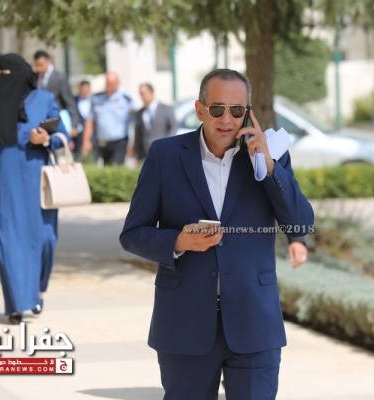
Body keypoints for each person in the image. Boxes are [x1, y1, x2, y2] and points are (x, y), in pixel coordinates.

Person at [120, 69, 314, 399]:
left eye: (237, 111)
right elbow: (133, 233)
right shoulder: (165, 156)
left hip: (254, 323)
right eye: (217, 109)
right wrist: (178, 241)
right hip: (185, 323)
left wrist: (268, 165)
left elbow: (300, 221)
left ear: (248, 113)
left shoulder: (269, 155)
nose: (227, 119)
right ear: (200, 109)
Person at [0, 54, 68, 324]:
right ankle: (16, 304)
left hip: (38, 183)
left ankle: (36, 291)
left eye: (5, 73)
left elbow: (62, 134)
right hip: (5, 185)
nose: (0, 79)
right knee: (9, 243)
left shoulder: (44, 99)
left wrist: (45, 139)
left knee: (45, 240)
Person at [82, 71, 133, 165]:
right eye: (108, 82)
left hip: (119, 140)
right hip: (102, 141)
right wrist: (86, 141)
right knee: (105, 167)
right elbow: (90, 121)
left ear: (117, 83)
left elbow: (134, 122)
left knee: (116, 167)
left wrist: (133, 144)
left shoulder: (126, 99)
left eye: (112, 83)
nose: (109, 85)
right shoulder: (96, 98)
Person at [32, 50, 78, 139]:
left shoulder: (59, 78)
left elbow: (69, 102)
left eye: (41, 65)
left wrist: (74, 125)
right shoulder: (35, 77)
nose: (38, 68)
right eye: (36, 65)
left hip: (57, 120)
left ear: (48, 62)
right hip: (40, 122)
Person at [132, 83, 176, 163]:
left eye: (144, 93)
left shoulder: (166, 109)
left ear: (152, 93)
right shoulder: (140, 113)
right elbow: (138, 135)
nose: (142, 97)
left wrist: (167, 145)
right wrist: (136, 154)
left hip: (164, 152)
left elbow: (173, 128)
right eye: (141, 94)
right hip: (146, 155)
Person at [73, 80, 92, 157]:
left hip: (91, 136)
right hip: (77, 135)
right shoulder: (73, 101)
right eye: (83, 89)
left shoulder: (94, 101)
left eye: (86, 89)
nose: (85, 91)